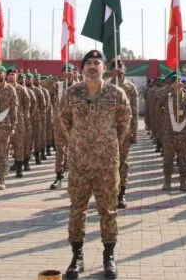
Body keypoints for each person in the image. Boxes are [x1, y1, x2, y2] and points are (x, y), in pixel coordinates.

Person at [59, 51, 131, 280]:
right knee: (77, 209)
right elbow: (64, 121)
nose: (92, 66)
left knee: (108, 210)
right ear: (82, 69)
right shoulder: (72, 93)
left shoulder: (116, 93)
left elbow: (125, 122)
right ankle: (77, 257)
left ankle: (109, 257)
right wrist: (78, 142)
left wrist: (108, 143)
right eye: (88, 63)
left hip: (106, 163)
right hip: (79, 163)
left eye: (96, 62)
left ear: (103, 68)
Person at [108, 59, 139, 208]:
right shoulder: (105, 86)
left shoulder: (130, 87)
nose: (119, 69)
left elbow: (134, 110)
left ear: (125, 69)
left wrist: (134, 131)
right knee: (108, 162)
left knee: (122, 161)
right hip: (107, 131)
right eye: (115, 67)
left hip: (124, 131)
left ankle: (122, 193)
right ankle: (109, 192)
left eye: (121, 66)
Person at [162, 75, 186, 191]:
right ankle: (167, 182)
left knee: (183, 160)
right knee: (168, 160)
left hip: (183, 134)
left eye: (180, 81)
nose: (178, 83)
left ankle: (183, 182)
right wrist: (170, 88)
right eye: (176, 82)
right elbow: (158, 102)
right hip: (169, 133)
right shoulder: (167, 95)